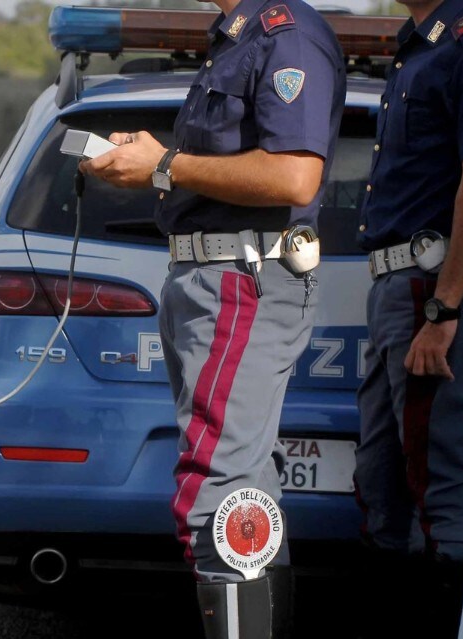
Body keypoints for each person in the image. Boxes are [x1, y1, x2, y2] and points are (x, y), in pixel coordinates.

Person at [80, 0, 346, 636]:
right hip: (209, 277)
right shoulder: (239, 37)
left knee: (217, 494)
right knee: (245, 490)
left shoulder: (288, 35)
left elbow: (294, 176)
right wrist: (152, 164)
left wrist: (165, 165)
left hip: (243, 278)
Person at [352, 0, 463, 634]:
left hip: (439, 287)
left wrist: (444, 306)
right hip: (404, 288)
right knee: (383, 484)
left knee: (444, 489)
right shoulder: (422, 43)